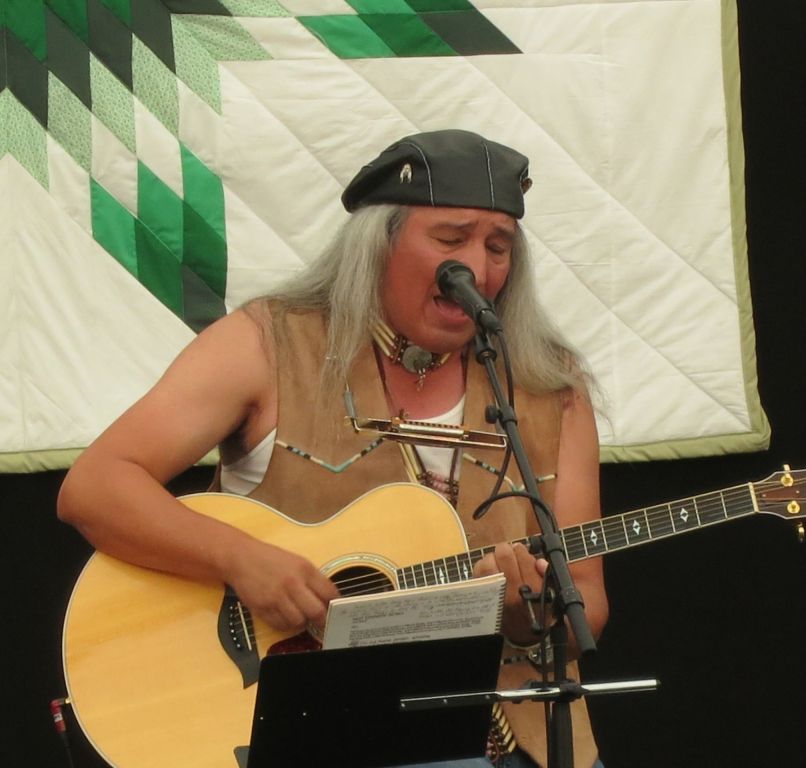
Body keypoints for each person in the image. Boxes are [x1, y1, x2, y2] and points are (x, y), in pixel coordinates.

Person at [57, 129, 608, 767]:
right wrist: (244, 560)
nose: (478, 270)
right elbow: (95, 487)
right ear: (379, 245)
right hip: (315, 732)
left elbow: (585, 601)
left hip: (521, 740)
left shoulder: (549, 385)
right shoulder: (269, 343)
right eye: (451, 240)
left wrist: (525, 613)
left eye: (498, 246)